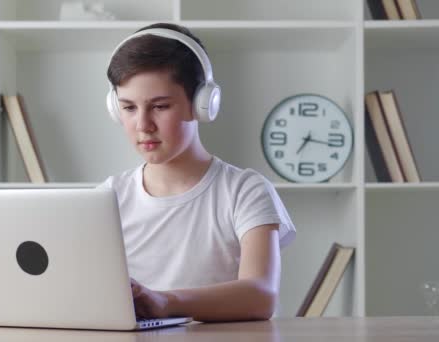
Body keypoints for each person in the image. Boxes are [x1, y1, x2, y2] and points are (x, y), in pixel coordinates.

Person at [98, 22, 296, 322]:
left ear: (203, 104)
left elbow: (261, 295)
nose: (143, 125)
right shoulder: (107, 197)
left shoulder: (245, 191)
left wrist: (165, 302)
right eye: (128, 108)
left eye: (160, 106)